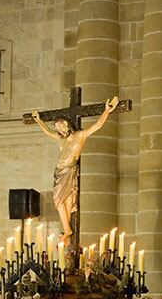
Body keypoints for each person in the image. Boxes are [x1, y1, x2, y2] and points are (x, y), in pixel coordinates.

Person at [31, 96, 119, 241]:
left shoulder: (80, 135)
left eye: (61, 126)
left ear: (67, 124)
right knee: (59, 201)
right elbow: (47, 131)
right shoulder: (61, 139)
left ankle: (67, 230)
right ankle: (67, 229)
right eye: (57, 128)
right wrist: (39, 120)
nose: (59, 129)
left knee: (65, 200)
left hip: (69, 170)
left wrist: (107, 111)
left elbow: (97, 125)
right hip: (59, 173)